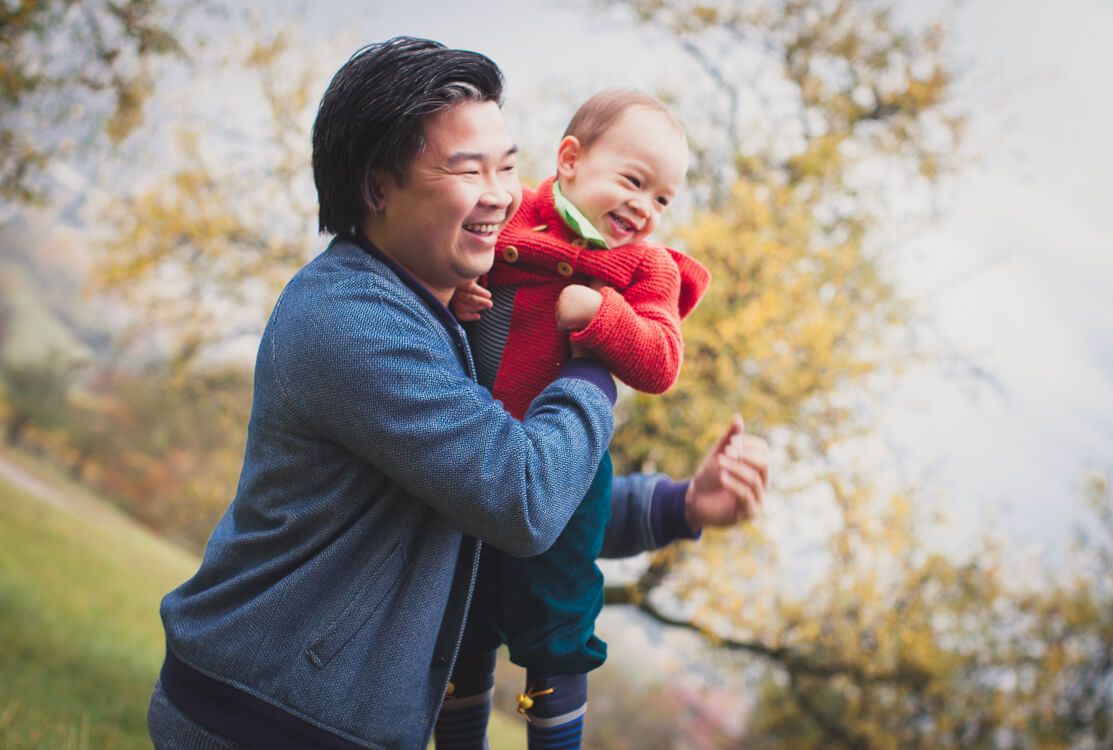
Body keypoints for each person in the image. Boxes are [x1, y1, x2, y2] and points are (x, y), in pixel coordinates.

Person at [146, 36, 769, 750]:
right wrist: (602, 345)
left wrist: (682, 504)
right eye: (467, 169)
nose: (501, 194)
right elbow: (522, 496)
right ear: (377, 187)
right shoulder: (353, 321)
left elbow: (535, 495)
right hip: (266, 716)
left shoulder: (452, 317)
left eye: (506, 165)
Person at [441, 89, 709, 750]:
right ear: (569, 161)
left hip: (566, 481)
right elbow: (444, 260)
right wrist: (457, 286)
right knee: (459, 620)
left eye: (662, 198)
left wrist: (601, 316)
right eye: (632, 180)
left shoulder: (644, 267)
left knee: (554, 623)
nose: (644, 207)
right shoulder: (511, 217)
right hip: (473, 457)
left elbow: (660, 360)